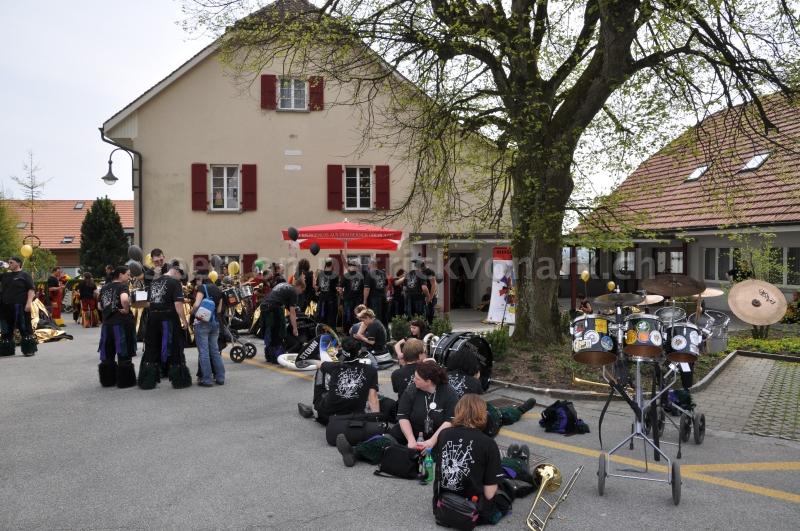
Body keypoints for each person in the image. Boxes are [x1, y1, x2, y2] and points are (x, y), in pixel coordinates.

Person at [335, 361, 458, 466]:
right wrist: (411, 440)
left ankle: (406, 456)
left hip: (437, 434)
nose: (413, 380)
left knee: (439, 453)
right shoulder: (412, 389)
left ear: (429, 381)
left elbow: (450, 420)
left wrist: (431, 441)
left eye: (417, 378)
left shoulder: (449, 393)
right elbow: (403, 416)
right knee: (386, 441)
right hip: (411, 429)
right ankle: (354, 452)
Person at [432, 394, 513, 527]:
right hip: (473, 511)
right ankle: (518, 460)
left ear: (458, 410)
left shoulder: (443, 434)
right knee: (505, 490)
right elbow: (489, 494)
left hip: (442, 505)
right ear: (482, 413)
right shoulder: (488, 443)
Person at [297, 336, 380, 424]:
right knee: (367, 388)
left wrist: (307, 360)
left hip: (327, 418)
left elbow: (318, 364)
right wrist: (377, 422)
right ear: (359, 352)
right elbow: (373, 398)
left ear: (343, 351)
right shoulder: (371, 370)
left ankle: (315, 407)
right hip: (355, 418)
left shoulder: (334, 366)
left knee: (320, 370)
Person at [139, 263, 190, 389]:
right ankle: (179, 380)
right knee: (174, 347)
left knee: (152, 348)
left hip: (153, 318)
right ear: (176, 271)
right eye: (180, 276)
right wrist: (184, 320)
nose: (180, 279)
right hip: (169, 319)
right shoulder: (175, 283)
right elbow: (178, 305)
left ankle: (147, 380)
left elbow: (148, 303)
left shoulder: (154, 282)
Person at [97, 265, 137, 388]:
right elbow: (124, 299)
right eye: (128, 274)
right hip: (120, 324)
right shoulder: (122, 286)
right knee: (123, 351)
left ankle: (108, 380)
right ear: (120, 275)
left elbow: (99, 306)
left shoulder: (104, 287)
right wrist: (126, 309)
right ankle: (125, 381)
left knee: (107, 352)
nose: (129, 277)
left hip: (107, 325)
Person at [191, 272, 225, 387]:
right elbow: (219, 310)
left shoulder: (202, 288)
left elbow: (196, 304)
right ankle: (220, 377)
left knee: (204, 352)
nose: (196, 283)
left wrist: (192, 312)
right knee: (215, 351)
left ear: (201, 279)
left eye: (197, 281)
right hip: (215, 323)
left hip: (202, 323)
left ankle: (207, 379)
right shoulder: (218, 290)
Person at [261, 276, 304, 363]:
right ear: (299, 286)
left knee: (270, 332)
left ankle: (269, 356)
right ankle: (276, 357)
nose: (301, 293)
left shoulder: (284, 285)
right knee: (278, 333)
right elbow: (292, 313)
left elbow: (282, 301)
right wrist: (295, 328)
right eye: (302, 290)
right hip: (273, 308)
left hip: (264, 307)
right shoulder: (293, 292)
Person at [0, 256, 37, 357]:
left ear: (18, 263)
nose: (9, 264)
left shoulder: (25, 275)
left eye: (11, 262)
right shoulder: (5, 275)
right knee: (6, 329)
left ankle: (29, 350)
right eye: (9, 262)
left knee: (24, 328)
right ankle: (7, 350)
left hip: (20, 306)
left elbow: (31, 290)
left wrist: (29, 303)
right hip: (5, 306)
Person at [315, 258, 340, 329]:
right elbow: (337, 288)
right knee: (331, 318)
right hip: (332, 299)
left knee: (322, 317)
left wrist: (317, 292)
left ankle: (321, 331)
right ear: (332, 265)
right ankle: (331, 332)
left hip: (322, 299)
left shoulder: (320, 274)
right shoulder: (335, 275)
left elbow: (317, 287)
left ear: (325, 264)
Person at [340, 260, 364, 333]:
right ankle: (356, 331)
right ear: (356, 267)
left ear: (350, 267)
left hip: (348, 299)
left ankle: (347, 331)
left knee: (348, 315)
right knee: (357, 315)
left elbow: (340, 288)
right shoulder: (360, 276)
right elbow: (363, 288)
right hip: (358, 299)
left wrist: (341, 295)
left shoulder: (346, 275)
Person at [363, 259, 388, 326]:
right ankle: (385, 330)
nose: (368, 265)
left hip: (374, 297)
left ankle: (377, 330)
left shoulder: (369, 274)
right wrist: (384, 294)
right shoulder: (383, 273)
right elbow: (386, 285)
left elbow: (367, 289)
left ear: (370, 265)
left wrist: (365, 300)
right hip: (383, 297)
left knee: (376, 315)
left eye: (368, 264)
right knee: (384, 315)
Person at [421, 260, 438, 324]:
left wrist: (430, 297)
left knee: (430, 313)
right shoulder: (421, 272)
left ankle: (431, 326)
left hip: (430, 295)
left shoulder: (429, 272)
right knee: (425, 313)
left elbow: (433, 285)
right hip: (424, 295)